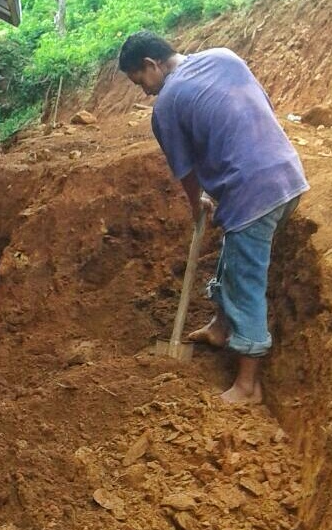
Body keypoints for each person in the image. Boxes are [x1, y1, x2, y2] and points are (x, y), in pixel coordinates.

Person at [118, 30, 308, 404]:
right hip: (288, 176)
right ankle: (220, 328)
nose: (144, 91)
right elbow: (260, 106)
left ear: (151, 64)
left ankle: (248, 387)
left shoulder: (167, 105)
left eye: (139, 81)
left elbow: (187, 173)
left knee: (245, 284)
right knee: (234, 254)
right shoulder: (224, 55)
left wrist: (197, 203)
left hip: (252, 193)